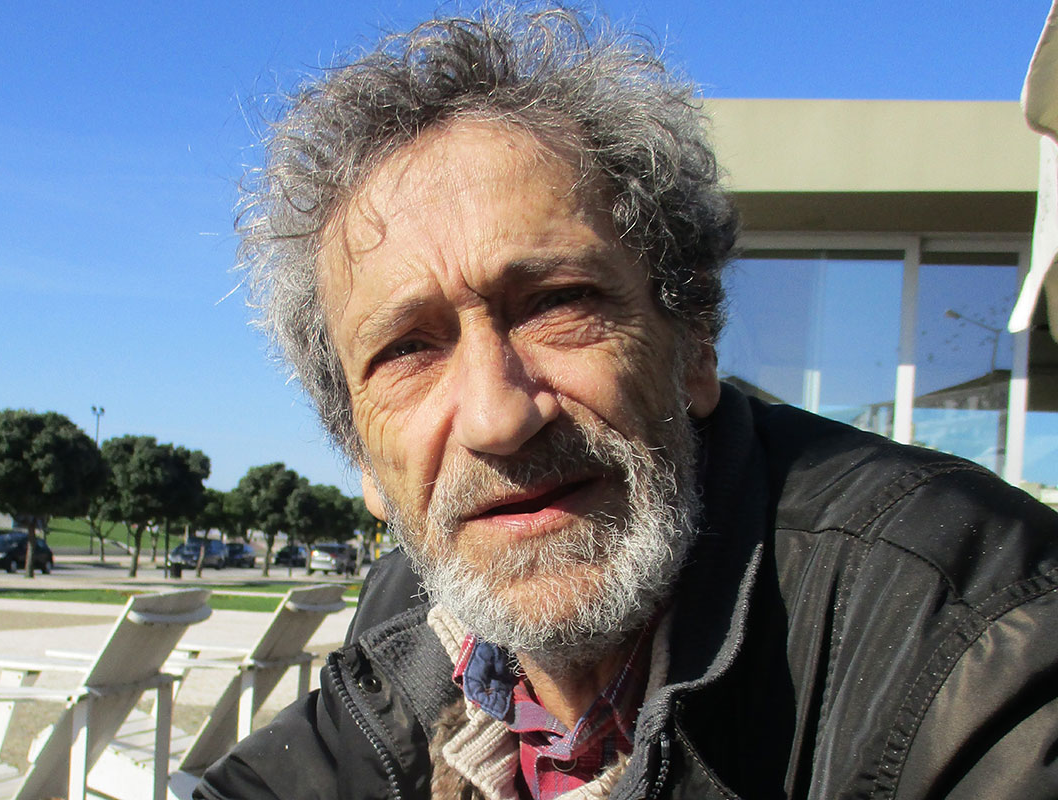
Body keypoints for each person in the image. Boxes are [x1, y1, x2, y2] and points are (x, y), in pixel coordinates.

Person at [197, 6, 1058, 799]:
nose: (499, 417)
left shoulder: (970, 631)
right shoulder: (412, 615)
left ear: (695, 346)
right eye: (408, 350)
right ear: (361, 455)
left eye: (558, 304)